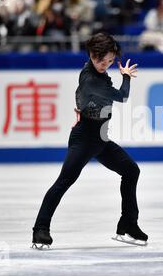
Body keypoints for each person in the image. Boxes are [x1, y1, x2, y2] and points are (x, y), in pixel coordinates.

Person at [32, 32, 148, 248]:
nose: (105, 64)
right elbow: (122, 96)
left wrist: (81, 107)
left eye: (111, 61)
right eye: (101, 60)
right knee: (64, 181)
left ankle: (128, 225)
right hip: (84, 138)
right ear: (91, 56)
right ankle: (40, 230)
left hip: (101, 138)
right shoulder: (92, 79)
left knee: (131, 171)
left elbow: (80, 95)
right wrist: (126, 77)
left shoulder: (91, 69)